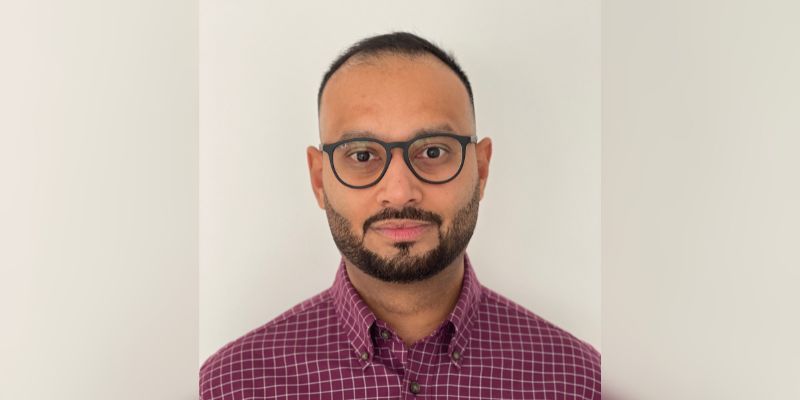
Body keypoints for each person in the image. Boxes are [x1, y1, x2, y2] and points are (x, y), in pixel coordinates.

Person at [200, 31, 600, 399]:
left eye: (432, 152)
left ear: (481, 169)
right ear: (319, 179)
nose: (399, 192)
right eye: (362, 155)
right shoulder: (231, 385)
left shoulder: (577, 381)